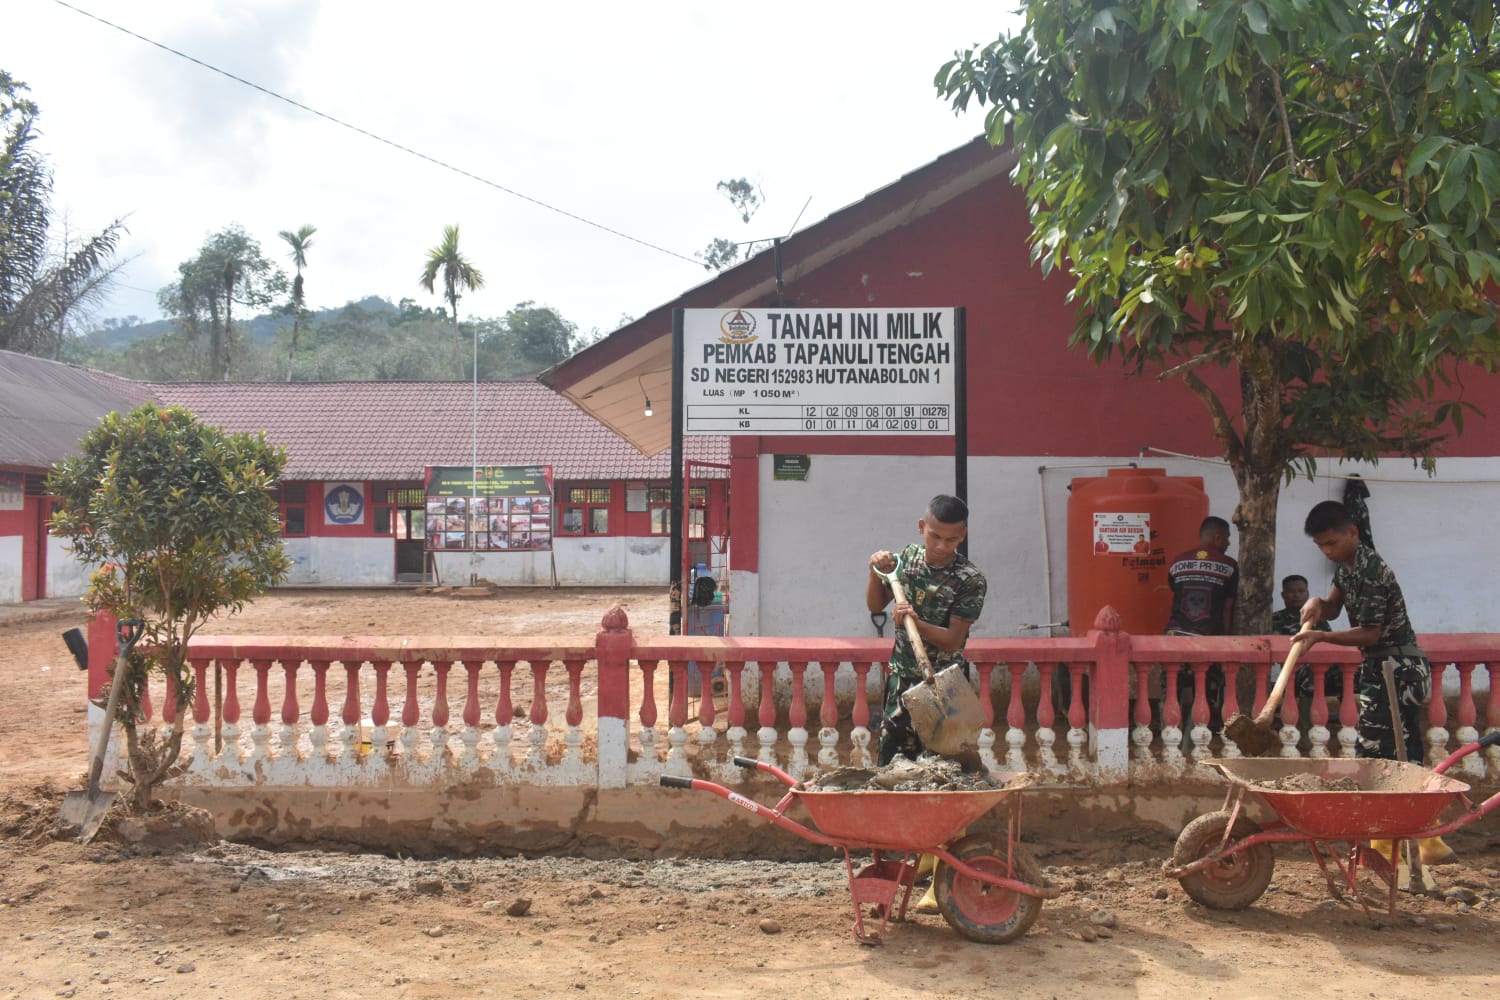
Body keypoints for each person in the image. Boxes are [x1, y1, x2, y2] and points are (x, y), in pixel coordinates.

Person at [1294, 499, 1453, 866]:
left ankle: (1410, 840)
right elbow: (1335, 606)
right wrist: (1318, 603)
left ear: (1353, 532)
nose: (1327, 551)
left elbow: (1370, 633)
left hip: (1397, 669)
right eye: (1320, 546)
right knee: (1375, 752)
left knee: (1395, 755)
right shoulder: (1348, 568)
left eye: (1331, 543)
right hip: (1378, 669)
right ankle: (1399, 838)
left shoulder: (1372, 569)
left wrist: (1321, 638)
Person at [867, 494, 986, 916]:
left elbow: (953, 639)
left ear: (962, 536)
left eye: (951, 540)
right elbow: (873, 605)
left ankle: (943, 880)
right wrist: (875, 571)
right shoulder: (906, 561)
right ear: (922, 526)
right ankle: (900, 865)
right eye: (934, 535)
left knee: (947, 781)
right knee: (893, 775)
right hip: (902, 682)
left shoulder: (970, 579)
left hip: (945, 689)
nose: (940, 546)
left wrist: (913, 618)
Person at [1164, 516, 1239, 725]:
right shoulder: (1230, 566)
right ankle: (1195, 734)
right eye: (1227, 538)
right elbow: (1227, 606)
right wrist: (1227, 639)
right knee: (1205, 688)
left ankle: (1168, 731)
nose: (1228, 543)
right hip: (1208, 638)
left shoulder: (1177, 562)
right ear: (1217, 537)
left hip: (1175, 636)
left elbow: (1175, 590)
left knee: (1172, 687)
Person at [1271, 574, 1335, 701]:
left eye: (1301, 591)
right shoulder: (1274, 620)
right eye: (1291, 592)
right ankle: (1305, 717)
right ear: (1283, 595)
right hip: (1292, 671)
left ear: (1307, 594)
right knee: (1310, 669)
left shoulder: (1319, 620)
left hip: (1320, 667)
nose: (1296, 595)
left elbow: (1330, 645)